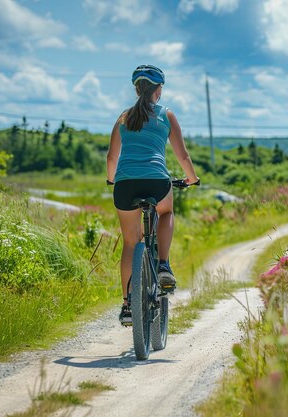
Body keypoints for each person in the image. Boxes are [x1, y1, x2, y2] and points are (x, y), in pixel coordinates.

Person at [106, 65, 199, 325]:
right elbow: (182, 155)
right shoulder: (166, 115)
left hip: (125, 184)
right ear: (158, 90)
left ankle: (127, 305)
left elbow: (112, 157)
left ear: (137, 89)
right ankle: (162, 265)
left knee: (129, 242)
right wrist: (192, 179)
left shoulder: (123, 117)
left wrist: (112, 179)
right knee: (166, 211)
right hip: (157, 181)